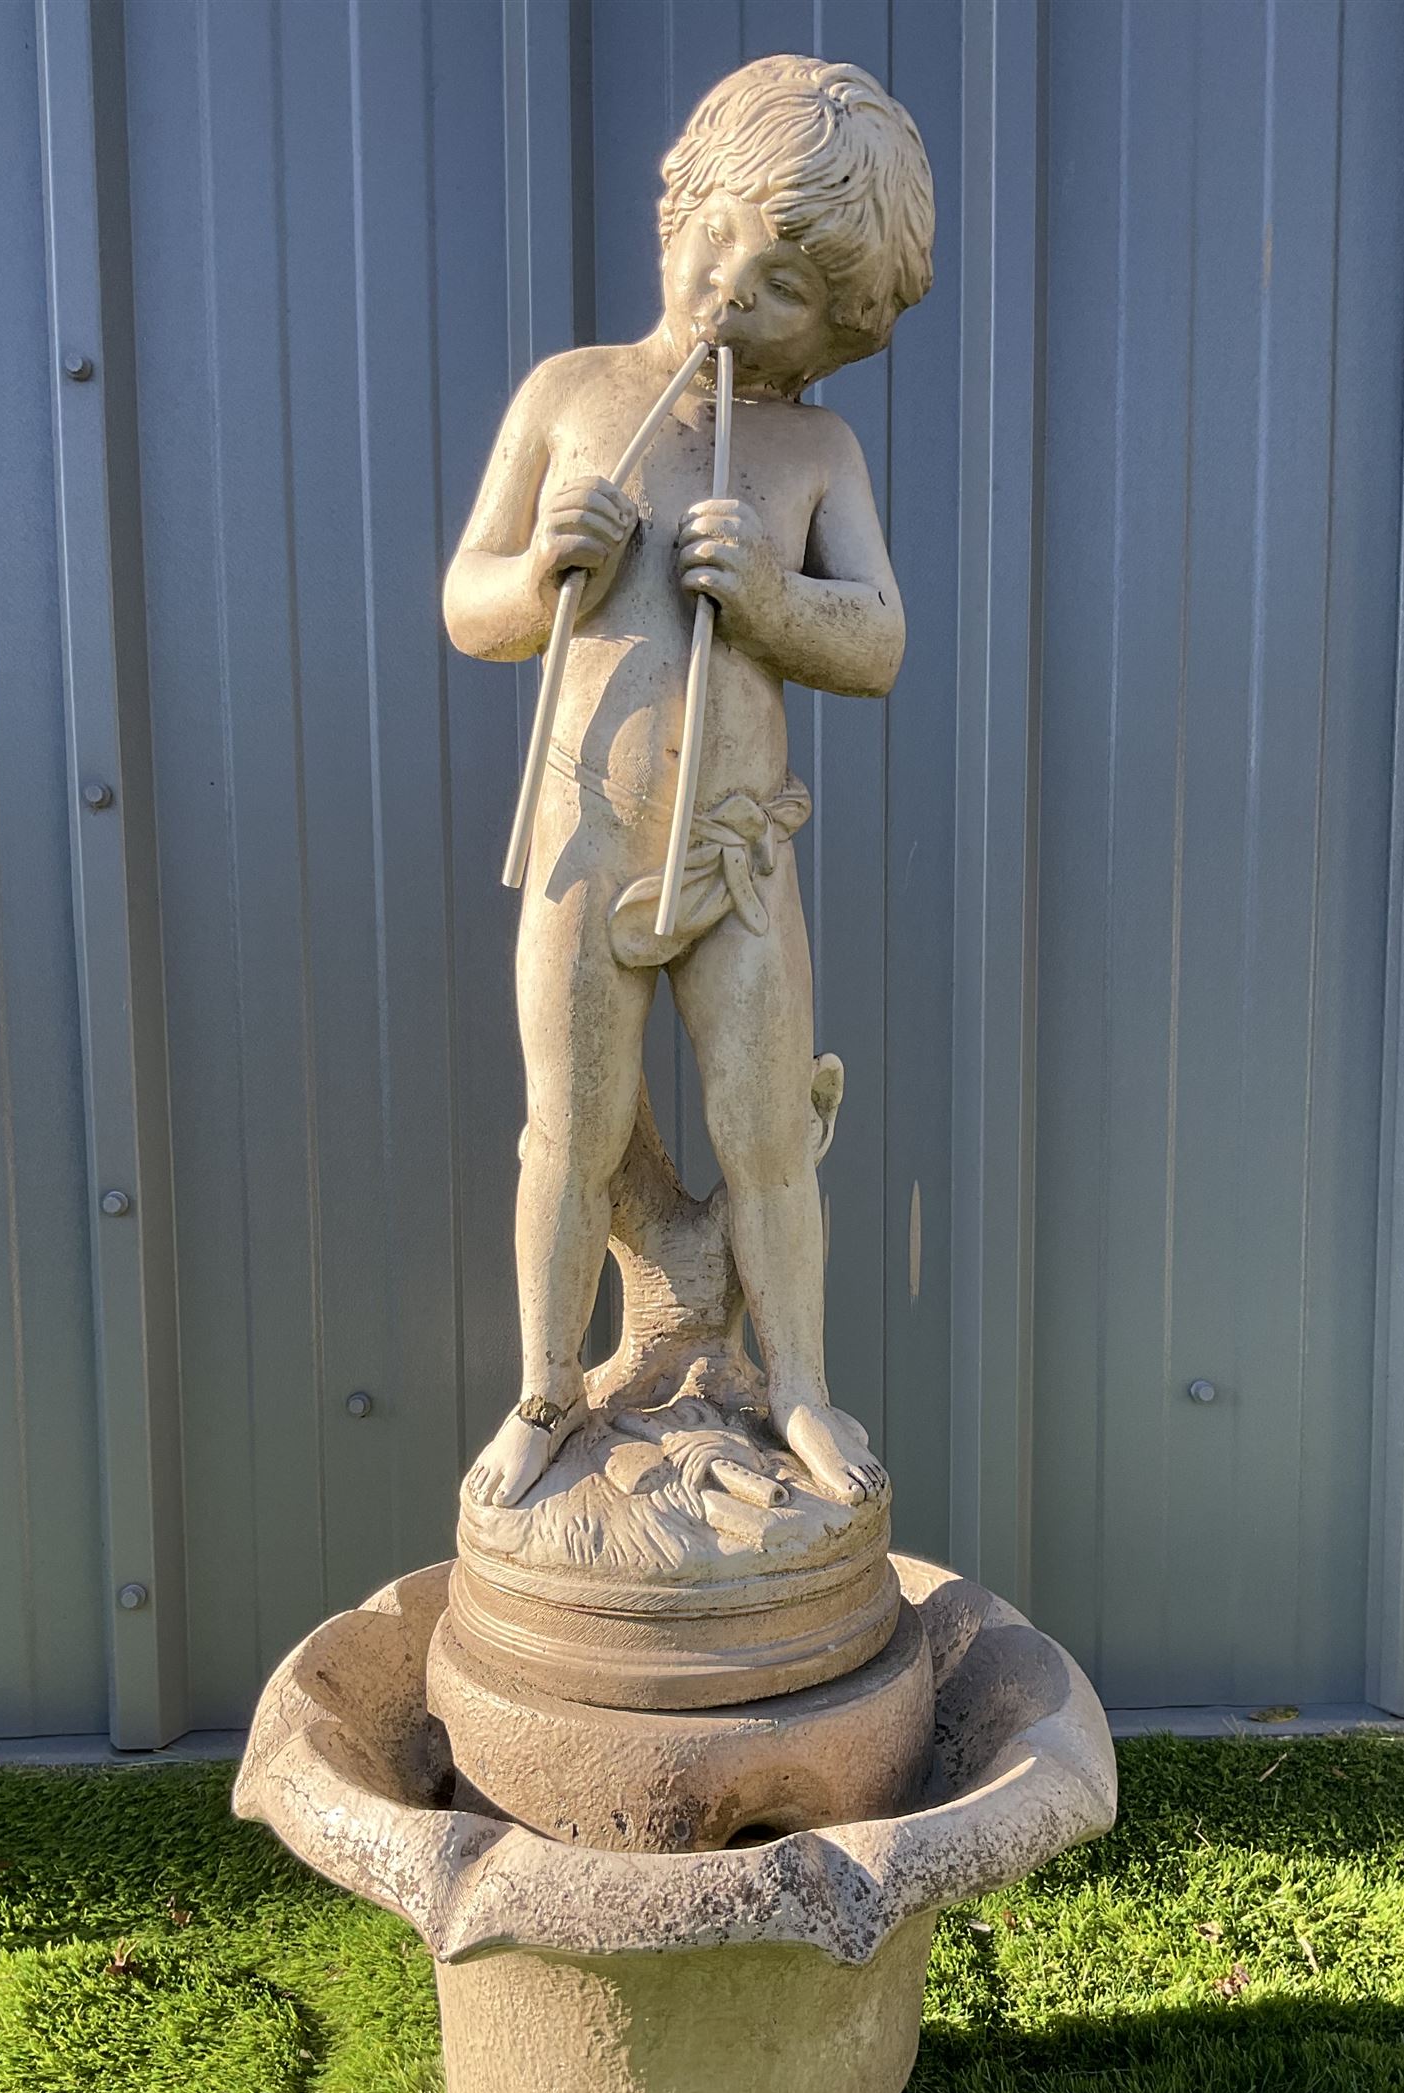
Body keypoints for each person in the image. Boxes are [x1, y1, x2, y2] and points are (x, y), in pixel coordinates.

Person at [443, 54, 933, 1510]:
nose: (730, 289)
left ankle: (800, 1391)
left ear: (840, 325)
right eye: (718, 236)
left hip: (733, 851)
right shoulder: (572, 396)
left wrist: (772, 598)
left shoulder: (813, 449)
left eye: (782, 284)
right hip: (590, 834)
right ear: (678, 203)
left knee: (768, 1131)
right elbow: (468, 604)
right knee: (572, 1127)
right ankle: (544, 1383)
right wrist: (543, 572)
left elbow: (883, 641)